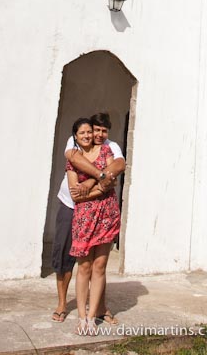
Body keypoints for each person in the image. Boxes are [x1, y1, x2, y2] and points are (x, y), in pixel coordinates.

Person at [51, 115, 125, 324]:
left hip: (98, 210)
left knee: (97, 263)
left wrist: (93, 181)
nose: (96, 135)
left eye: (102, 131)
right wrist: (101, 177)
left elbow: (118, 166)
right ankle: (62, 304)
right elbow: (74, 160)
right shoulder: (75, 140)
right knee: (65, 255)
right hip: (70, 205)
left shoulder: (109, 146)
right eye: (94, 131)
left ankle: (100, 308)